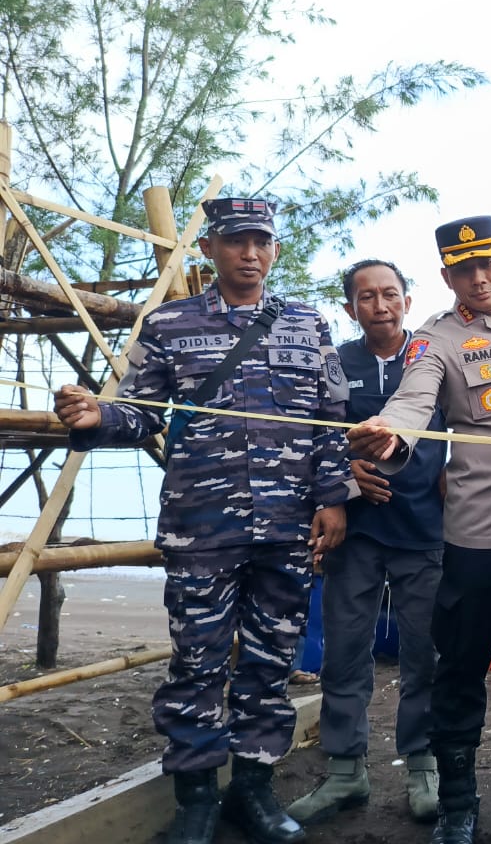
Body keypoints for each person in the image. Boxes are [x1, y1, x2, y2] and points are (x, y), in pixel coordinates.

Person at [53, 197, 351, 844]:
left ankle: (253, 793)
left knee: (270, 664)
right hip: (202, 528)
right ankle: (195, 801)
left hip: (287, 528)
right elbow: (140, 413)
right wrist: (95, 420)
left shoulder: (307, 323)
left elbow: (332, 421)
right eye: (236, 241)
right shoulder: (169, 324)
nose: (250, 253)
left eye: (261, 241)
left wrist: (333, 499)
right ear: (210, 247)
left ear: (274, 249)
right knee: (197, 665)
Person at [345, 216, 491, 844]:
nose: (477, 277)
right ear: (446, 277)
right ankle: (459, 805)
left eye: (487, 263)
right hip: (479, 529)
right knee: (461, 665)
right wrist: (393, 432)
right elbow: (415, 399)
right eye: (462, 269)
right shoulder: (437, 338)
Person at [288, 260, 448, 826]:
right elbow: (311, 438)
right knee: (345, 652)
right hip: (353, 534)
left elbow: (460, 438)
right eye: (366, 296)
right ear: (350, 306)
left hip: (424, 530)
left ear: (407, 298)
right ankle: (344, 772)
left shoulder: (435, 357)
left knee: (424, 651)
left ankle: (423, 765)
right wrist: (347, 472)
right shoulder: (335, 366)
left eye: (390, 294)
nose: (380, 305)